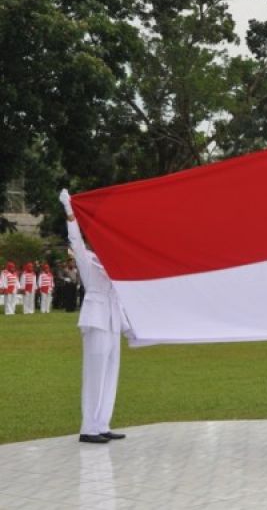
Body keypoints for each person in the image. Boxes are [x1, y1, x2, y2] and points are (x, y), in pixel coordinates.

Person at [59, 189, 131, 444]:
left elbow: (118, 296)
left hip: (111, 321)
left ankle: (102, 423)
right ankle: (88, 427)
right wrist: (69, 211)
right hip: (96, 319)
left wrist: (128, 327)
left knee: (111, 372)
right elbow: (75, 241)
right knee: (95, 373)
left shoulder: (115, 262)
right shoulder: (88, 260)